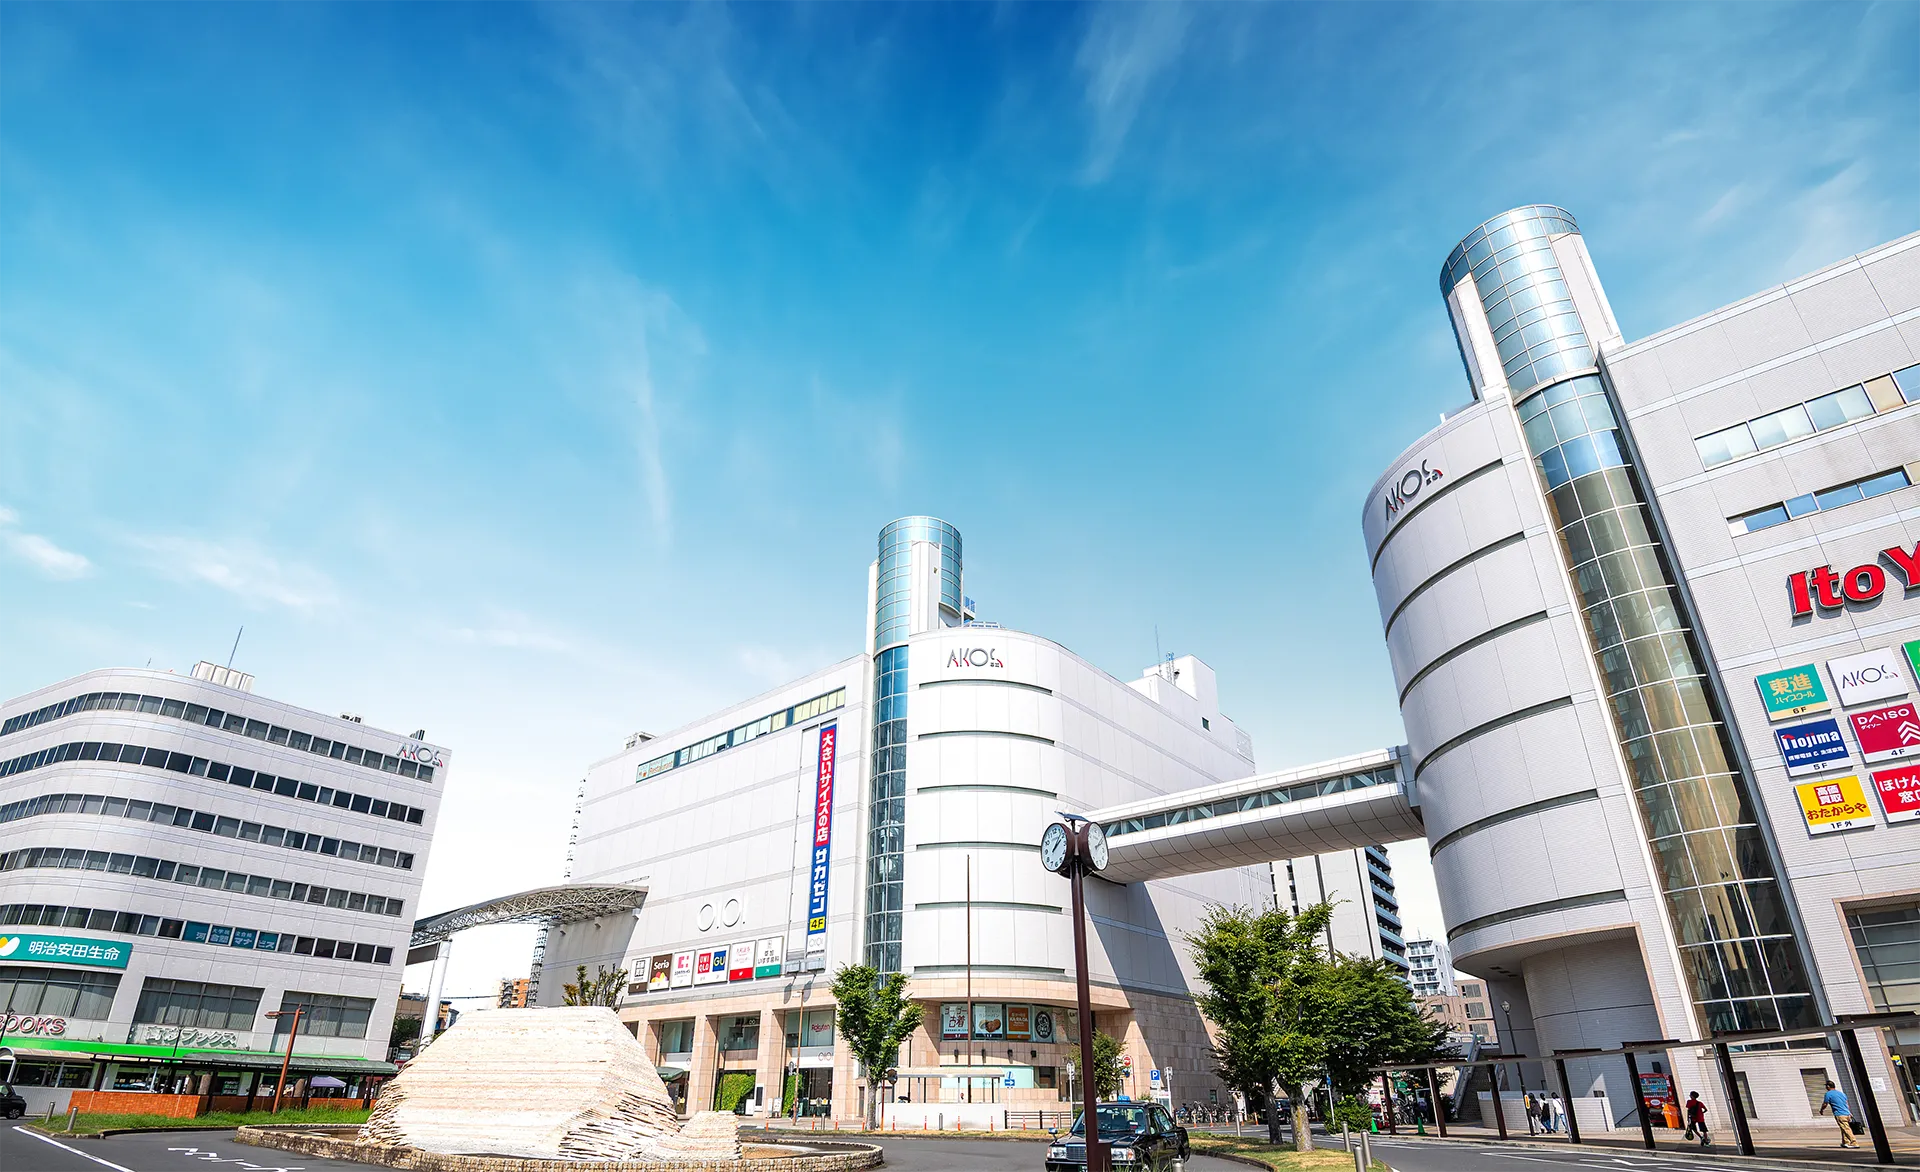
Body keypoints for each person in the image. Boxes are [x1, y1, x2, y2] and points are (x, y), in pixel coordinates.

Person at [1819, 1081, 1862, 1149]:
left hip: (1840, 1114)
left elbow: (1825, 1104)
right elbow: (1846, 1103)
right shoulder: (1841, 1093)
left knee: (1846, 1129)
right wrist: (1849, 1112)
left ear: (1828, 1086)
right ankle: (1845, 1142)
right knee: (1844, 1128)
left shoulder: (1828, 1094)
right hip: (1847, 1114)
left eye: (1826, 1086)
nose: (1826, 1087)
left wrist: (1821, 1110)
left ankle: (1854, 1142)